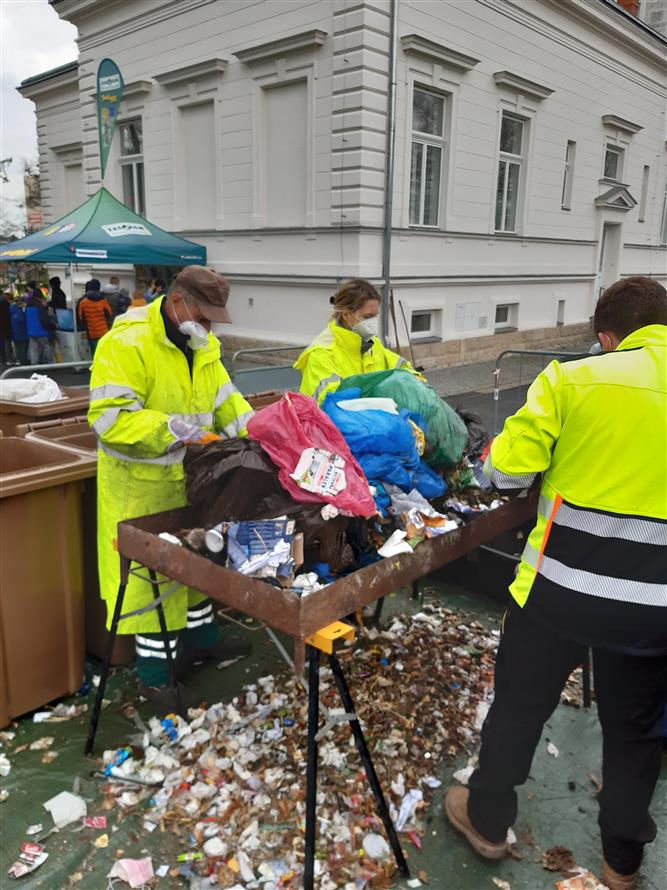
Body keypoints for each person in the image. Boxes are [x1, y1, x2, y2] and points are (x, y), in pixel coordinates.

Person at [443, 276, 667, 890]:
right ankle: (622, 865)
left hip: (559, 594)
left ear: (606, 336)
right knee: (635, 737)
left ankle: (487, 822)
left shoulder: (574, 380)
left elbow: (505, 472)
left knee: (518, 711)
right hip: (655, 612)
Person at [88, 265, 255, 711]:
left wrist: (256, 436)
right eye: (202, 318)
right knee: (153, 589)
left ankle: (201, 642)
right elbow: (110, 419)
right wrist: (176, 430)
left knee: (195, 569)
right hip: (140, 488)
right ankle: (156, 681)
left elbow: (226, 401)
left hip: (191, 484)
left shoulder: (204, 347)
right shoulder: (125, 343)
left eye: (213, 321)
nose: (207, 328)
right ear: (178, 302)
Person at [294, 278, 419, 404]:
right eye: (368, 317)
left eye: (375, 316)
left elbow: (399, 366)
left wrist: (416, 381)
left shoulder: (372, 343)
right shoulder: (321, 353)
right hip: (342, 422)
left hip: (376, 419)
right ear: (346, 314)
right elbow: (329, 402)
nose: (373, 322)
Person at [77, 280, 113, 356]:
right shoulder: (103, 301)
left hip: (91, 333)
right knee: (105, 353)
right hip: (104, 332)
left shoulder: (83, 302)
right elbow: (109, 314)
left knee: (95, 353)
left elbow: (81, 318)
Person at [25, 287, 56, 364]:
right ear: (40, 296)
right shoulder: (40, 307)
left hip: (31, 331)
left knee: (34, 348)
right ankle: (51, 363)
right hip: (41, 331)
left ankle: (34, 364)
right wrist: (52, 326)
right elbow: (44, 320)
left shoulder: (28, 306)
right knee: (47, 347)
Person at [9, 296, 28, 365]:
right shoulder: (20, 312)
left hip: (15, 332)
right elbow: (23, 321)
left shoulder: (11, 310)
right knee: (23, 348)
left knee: (17, 347)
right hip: (22, 332)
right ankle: (23, 361)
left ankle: (18, 359)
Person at [0, 291, 14, 364]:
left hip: (2, 327)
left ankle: (3, 358)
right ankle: (10, 358)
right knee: (7, 343)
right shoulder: (7, 305)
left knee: (2, 343)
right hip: (7, 326)